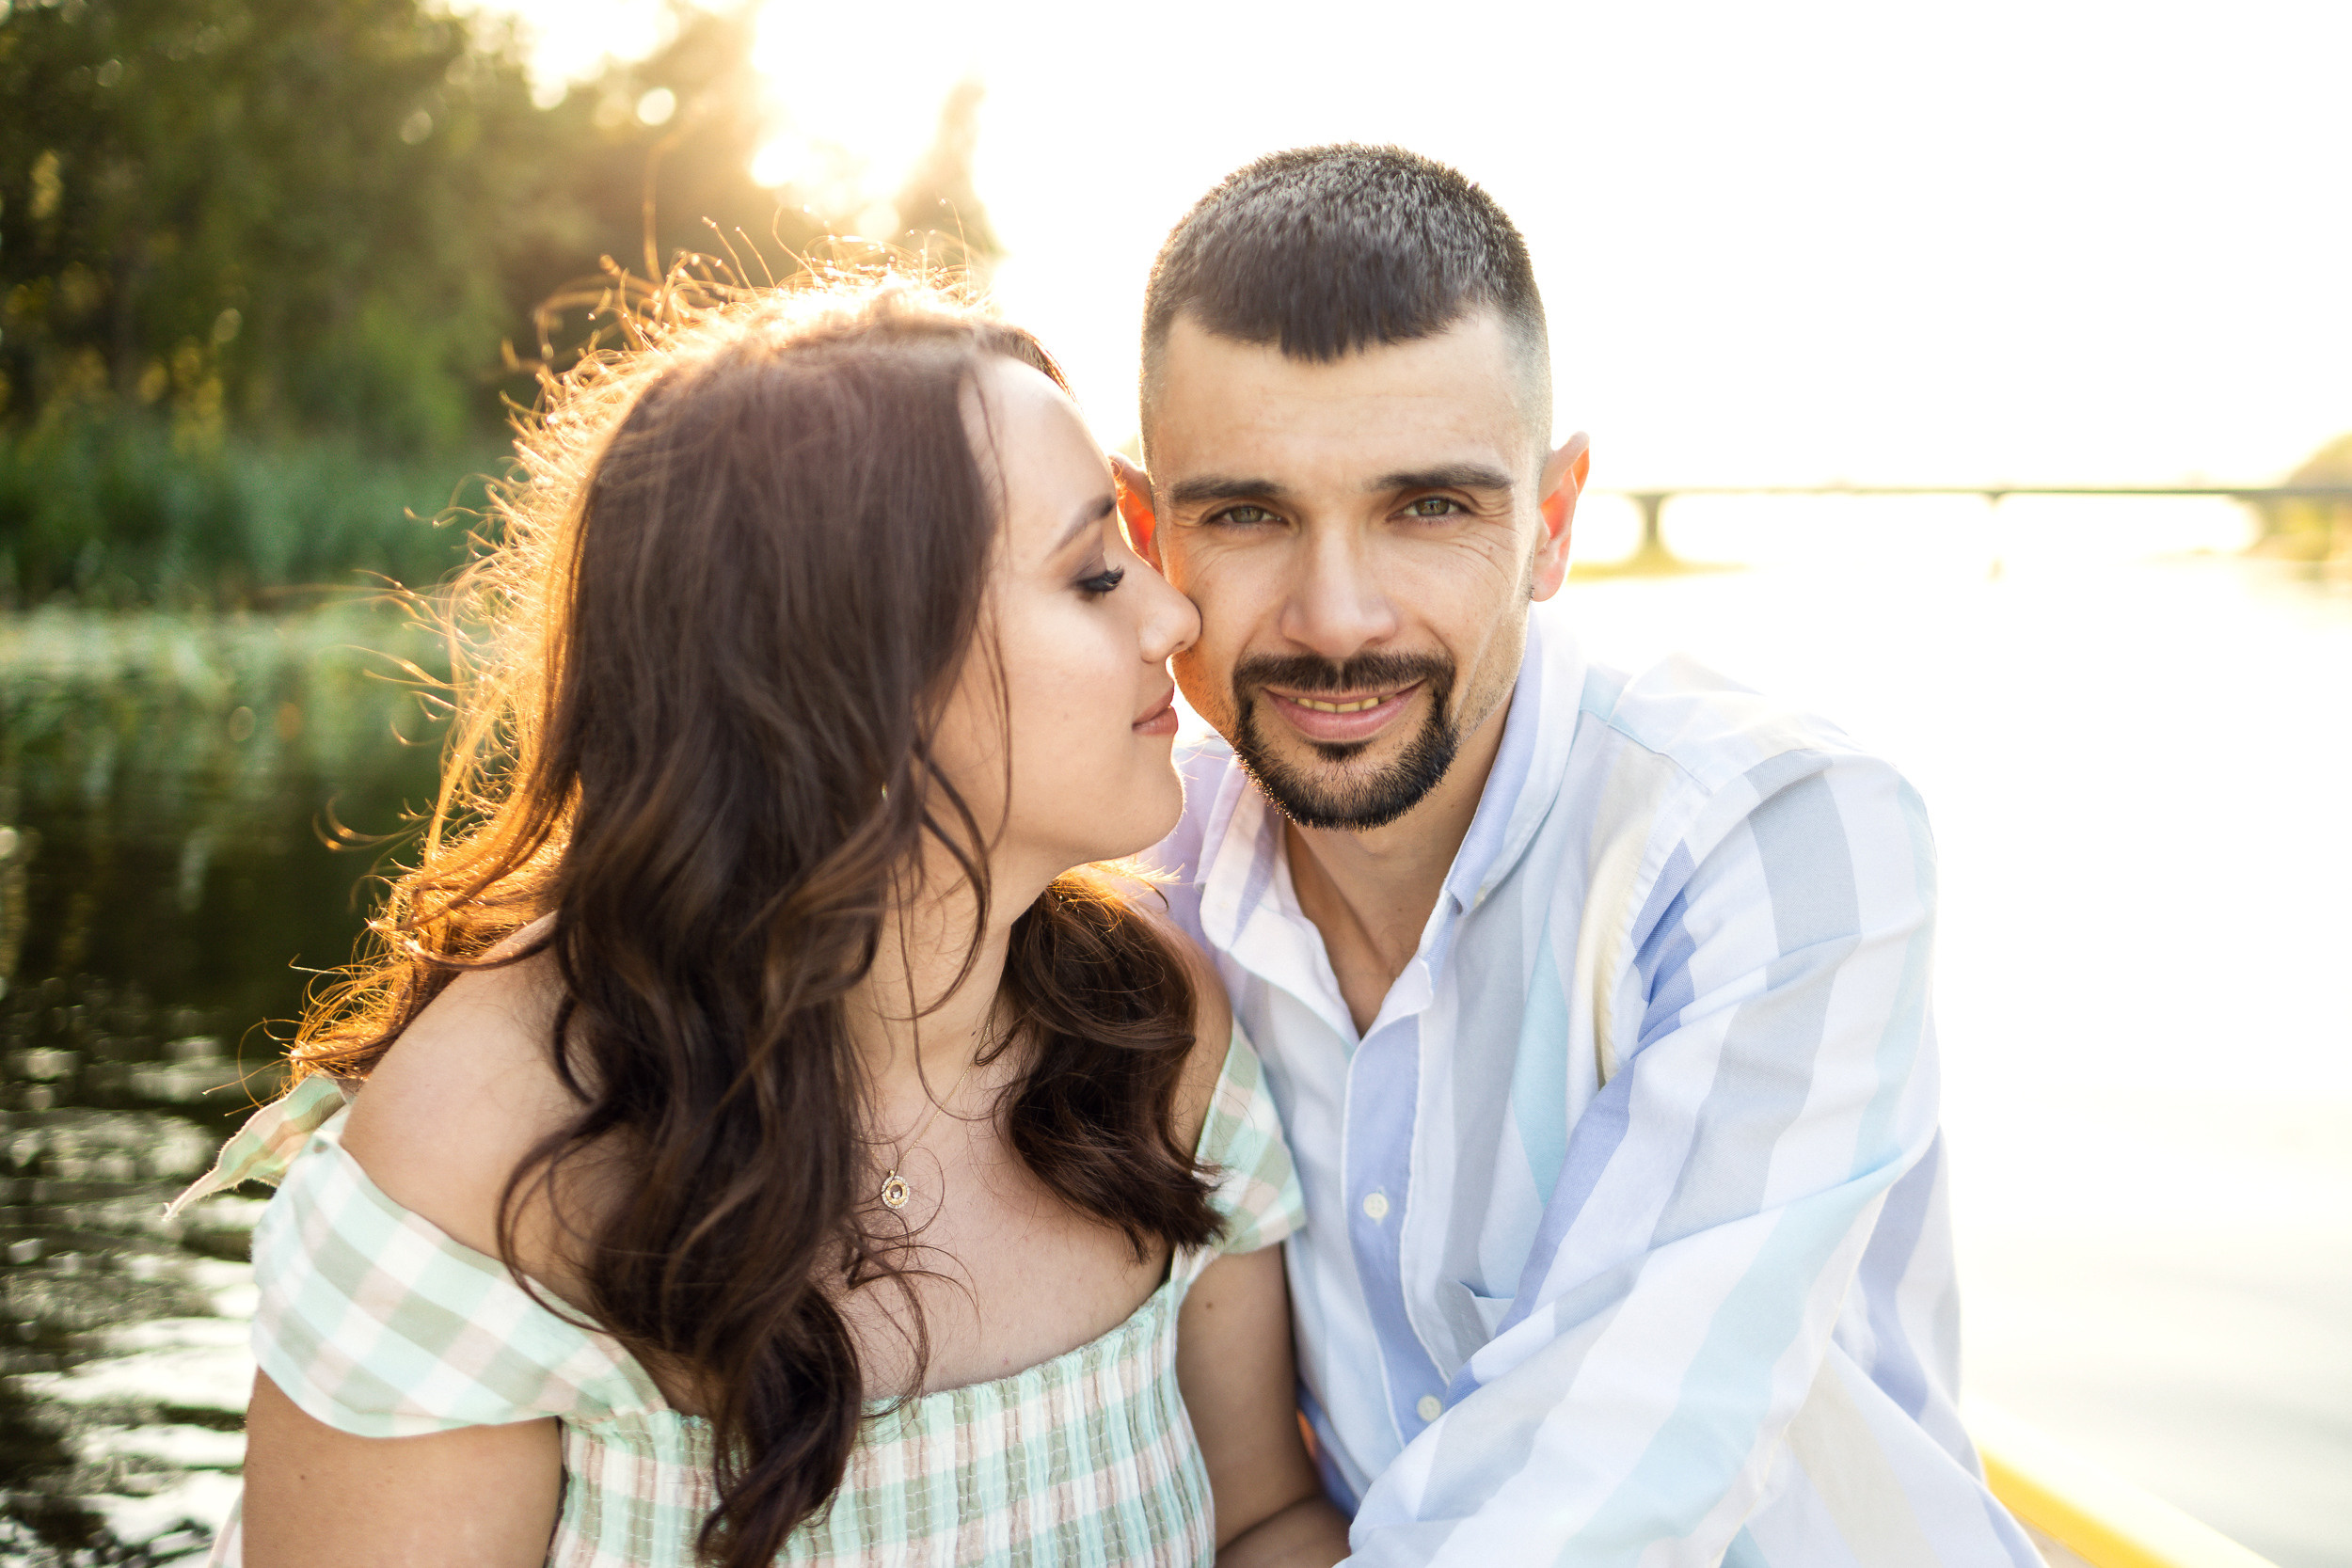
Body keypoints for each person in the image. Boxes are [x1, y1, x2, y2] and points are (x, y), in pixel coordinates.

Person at [167, 278, 1352, 1567]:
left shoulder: (1158, 1033)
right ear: (853, 672)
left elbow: (1264, 1524)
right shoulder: (490, 1157)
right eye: (1091, 574)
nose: (1173, 619)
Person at [1116, 147, 2041, 1565]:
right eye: (1248, 515)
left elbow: (1601, 1495)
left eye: (1430, 507)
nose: (1340, 617)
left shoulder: (1779, 840)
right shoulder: (1131, 885)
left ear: (1550, 525)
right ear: (1145, 533)